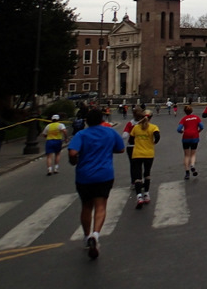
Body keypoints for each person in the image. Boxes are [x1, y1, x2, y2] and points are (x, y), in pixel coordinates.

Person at [68, 108, 125, 259]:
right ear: (102, 119)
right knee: (101, 206)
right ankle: (96, 234)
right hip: (104, 175)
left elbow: (73, 153)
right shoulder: (110, 132)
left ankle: (87, 237)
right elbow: (121, 149)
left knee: (86, 206)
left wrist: (74, 160)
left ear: (86, 121)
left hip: (84, 176)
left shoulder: (81, 134)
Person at [130, 109, 160, 209]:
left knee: (137, 176)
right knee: (147, 174)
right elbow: (157, 137)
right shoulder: (153, 127)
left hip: (137, 154)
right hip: (148, 154)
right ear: (150, 118)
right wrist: (153, 143)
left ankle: (139, 197)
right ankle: (146, 194)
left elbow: (131, 140)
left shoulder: (136, 127)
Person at [177, 105, 203, 180]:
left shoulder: (184, 119)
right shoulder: (196, 118)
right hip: (195, 137)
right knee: (193, 153)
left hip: (186, 137)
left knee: (186, 155)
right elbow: (201, 126)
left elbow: (178, 129)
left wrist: (182, 131)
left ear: (185, 112)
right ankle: (192, 165)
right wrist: (198, 131)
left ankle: (187, 172)